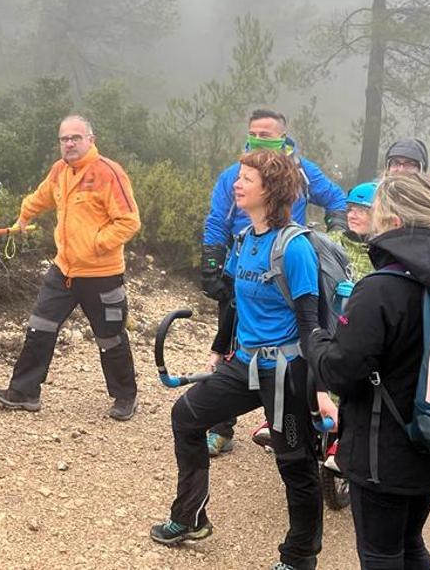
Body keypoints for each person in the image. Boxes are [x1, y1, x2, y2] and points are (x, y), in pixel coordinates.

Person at [305, 172, 430, 569]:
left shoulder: (381, 288)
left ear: (393, 223)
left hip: (383, 453)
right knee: (409, 543)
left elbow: (343, 372)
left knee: (381, 553)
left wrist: (315, 338)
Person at [153, 149, 332, 570]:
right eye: (239, 176)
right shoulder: (245, 240)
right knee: (187, 416)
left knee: (295, 464)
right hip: (245, 362)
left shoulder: (295, 249)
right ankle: (190, 517)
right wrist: (219, 349)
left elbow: (312, 323)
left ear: (270, 189)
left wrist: (321, 389)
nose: (237, 183)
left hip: (287, 370)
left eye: (246, 178)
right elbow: (234, 302)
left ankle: (300, 556)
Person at [201, 109, 347, 456]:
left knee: (288, 345)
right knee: (231, 340)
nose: (259, 139)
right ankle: (222, 426)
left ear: (283, 137)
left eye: (267, 134)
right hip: (241, 265)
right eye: (254, 133)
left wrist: (336, 236)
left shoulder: (303, 173)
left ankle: (282, 422)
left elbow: (337, 200)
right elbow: (217, 220)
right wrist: (210, 262)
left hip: (283, 273)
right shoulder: (233, 176)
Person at [0, 115, 141, 420]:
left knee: (110, 336)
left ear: (90, 139)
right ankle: (24, 392)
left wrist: (96, 244)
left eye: (76, 137)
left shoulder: (108, 173)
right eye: (64, 139)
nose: (69, 143)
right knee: (39, 327)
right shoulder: (61, 170)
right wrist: (23, 218)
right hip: (64, 270)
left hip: (102, 273)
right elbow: (41, 196)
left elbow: (129, 221)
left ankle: (126, 396)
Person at [331, 181, 377, 279]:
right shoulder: (332, 242)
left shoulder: (387, 255)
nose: (351, 216)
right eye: (351, 209)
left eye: (361, 211)